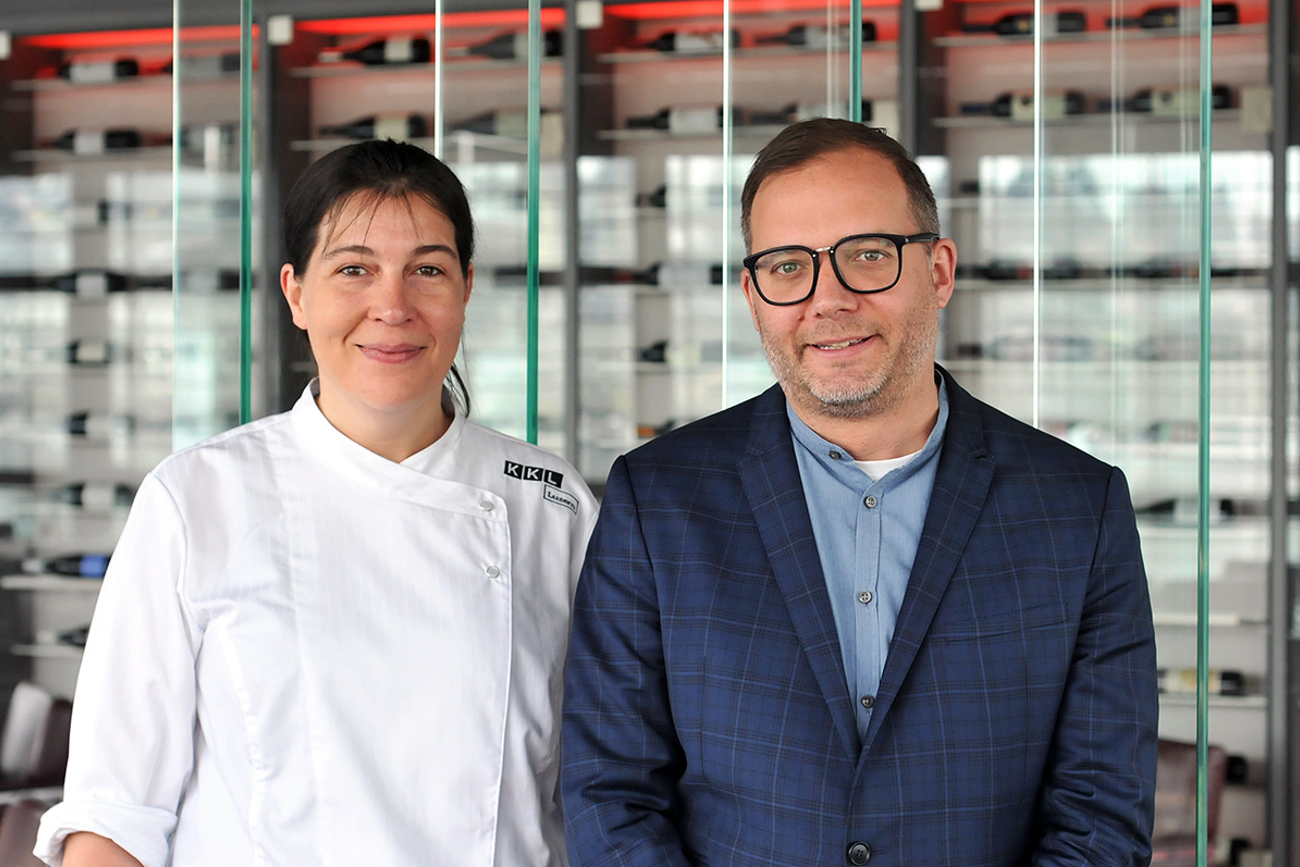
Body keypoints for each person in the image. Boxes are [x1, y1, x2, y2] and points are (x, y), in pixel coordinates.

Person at [561, 118, 1158, 866]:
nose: (828, 298)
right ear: (753, 294)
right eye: (787, 266)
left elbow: (1099, 815)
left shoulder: (1079, 507)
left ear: (939, 271)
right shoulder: (657, 499)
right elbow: (608, 792)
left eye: (868, 256)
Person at [35, 139, 597, 867]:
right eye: (354, 269)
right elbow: (111, 819)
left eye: (427, 269)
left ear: (464, 290)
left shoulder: (552, 505)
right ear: (296, 293)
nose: (391, 306)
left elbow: (607, 782)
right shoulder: (196, 499)